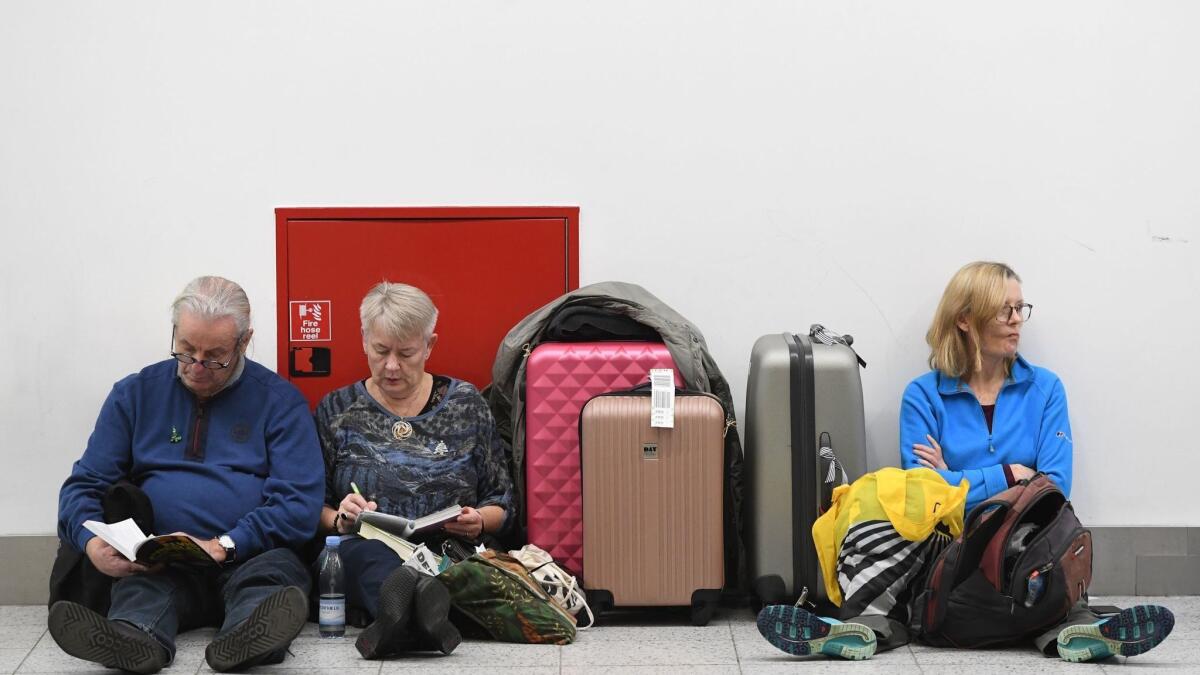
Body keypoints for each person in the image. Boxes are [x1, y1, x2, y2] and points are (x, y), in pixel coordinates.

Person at [758, 261, 1173, 663]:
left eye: (1020, 309)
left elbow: (1053, 486)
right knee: (872, 511)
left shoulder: (1045, 389)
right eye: (1004, 310)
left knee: (1053, 534)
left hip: (1020, 544)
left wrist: (954, 480)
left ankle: (1079, 633)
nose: (1016, 320)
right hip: (948, 550)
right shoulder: (923, 396)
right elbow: (923, 494)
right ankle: (861, 630)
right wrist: (1011, 474)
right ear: (965, 319)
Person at [49, 276, 325, 674]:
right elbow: (84, 485)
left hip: (250, 554)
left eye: (215, 356)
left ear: (244, 343)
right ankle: (133, 638)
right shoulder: (135, 394)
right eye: (186, 350)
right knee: (140, 591)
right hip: (162, 562)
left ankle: (248, 638)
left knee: (270, 582)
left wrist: (225, 544)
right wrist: (91, 542)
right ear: (174, 333)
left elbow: (299, 504)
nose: (197, 366)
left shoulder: (280, 402)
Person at [316, 281, 515, 659]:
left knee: (456, 569)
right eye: (380, 351)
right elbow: (311, 507)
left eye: (406, 353)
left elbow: (503, 502)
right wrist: (341, 518)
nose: (391, 366)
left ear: (429, 345)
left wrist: (479, 520)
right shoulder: (337, 410)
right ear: (363, 340)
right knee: (364, 558)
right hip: (368, 548)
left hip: (452, 548)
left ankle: (403, 626)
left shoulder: (465, 403)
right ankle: (424, 619)